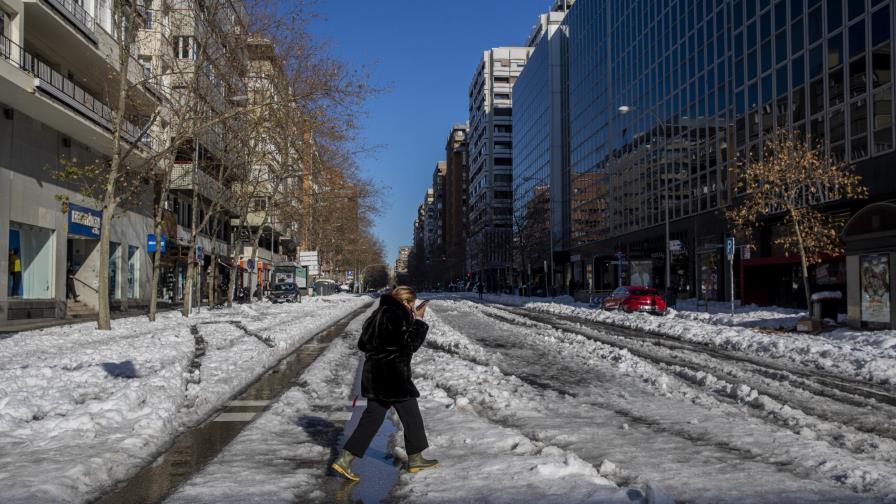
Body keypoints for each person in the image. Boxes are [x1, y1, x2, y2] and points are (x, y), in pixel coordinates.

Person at [331, 286, 437, 481]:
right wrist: (419, 321)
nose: (413, 307)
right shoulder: (397, 315)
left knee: (372, 418)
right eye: (412, 303)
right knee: (412, 416)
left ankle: (345, 459)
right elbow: (409, 345)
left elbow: (363, 343)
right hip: (393, 376)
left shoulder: (377, 314)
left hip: (374, 374)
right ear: (405, 301)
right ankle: (416, 459)